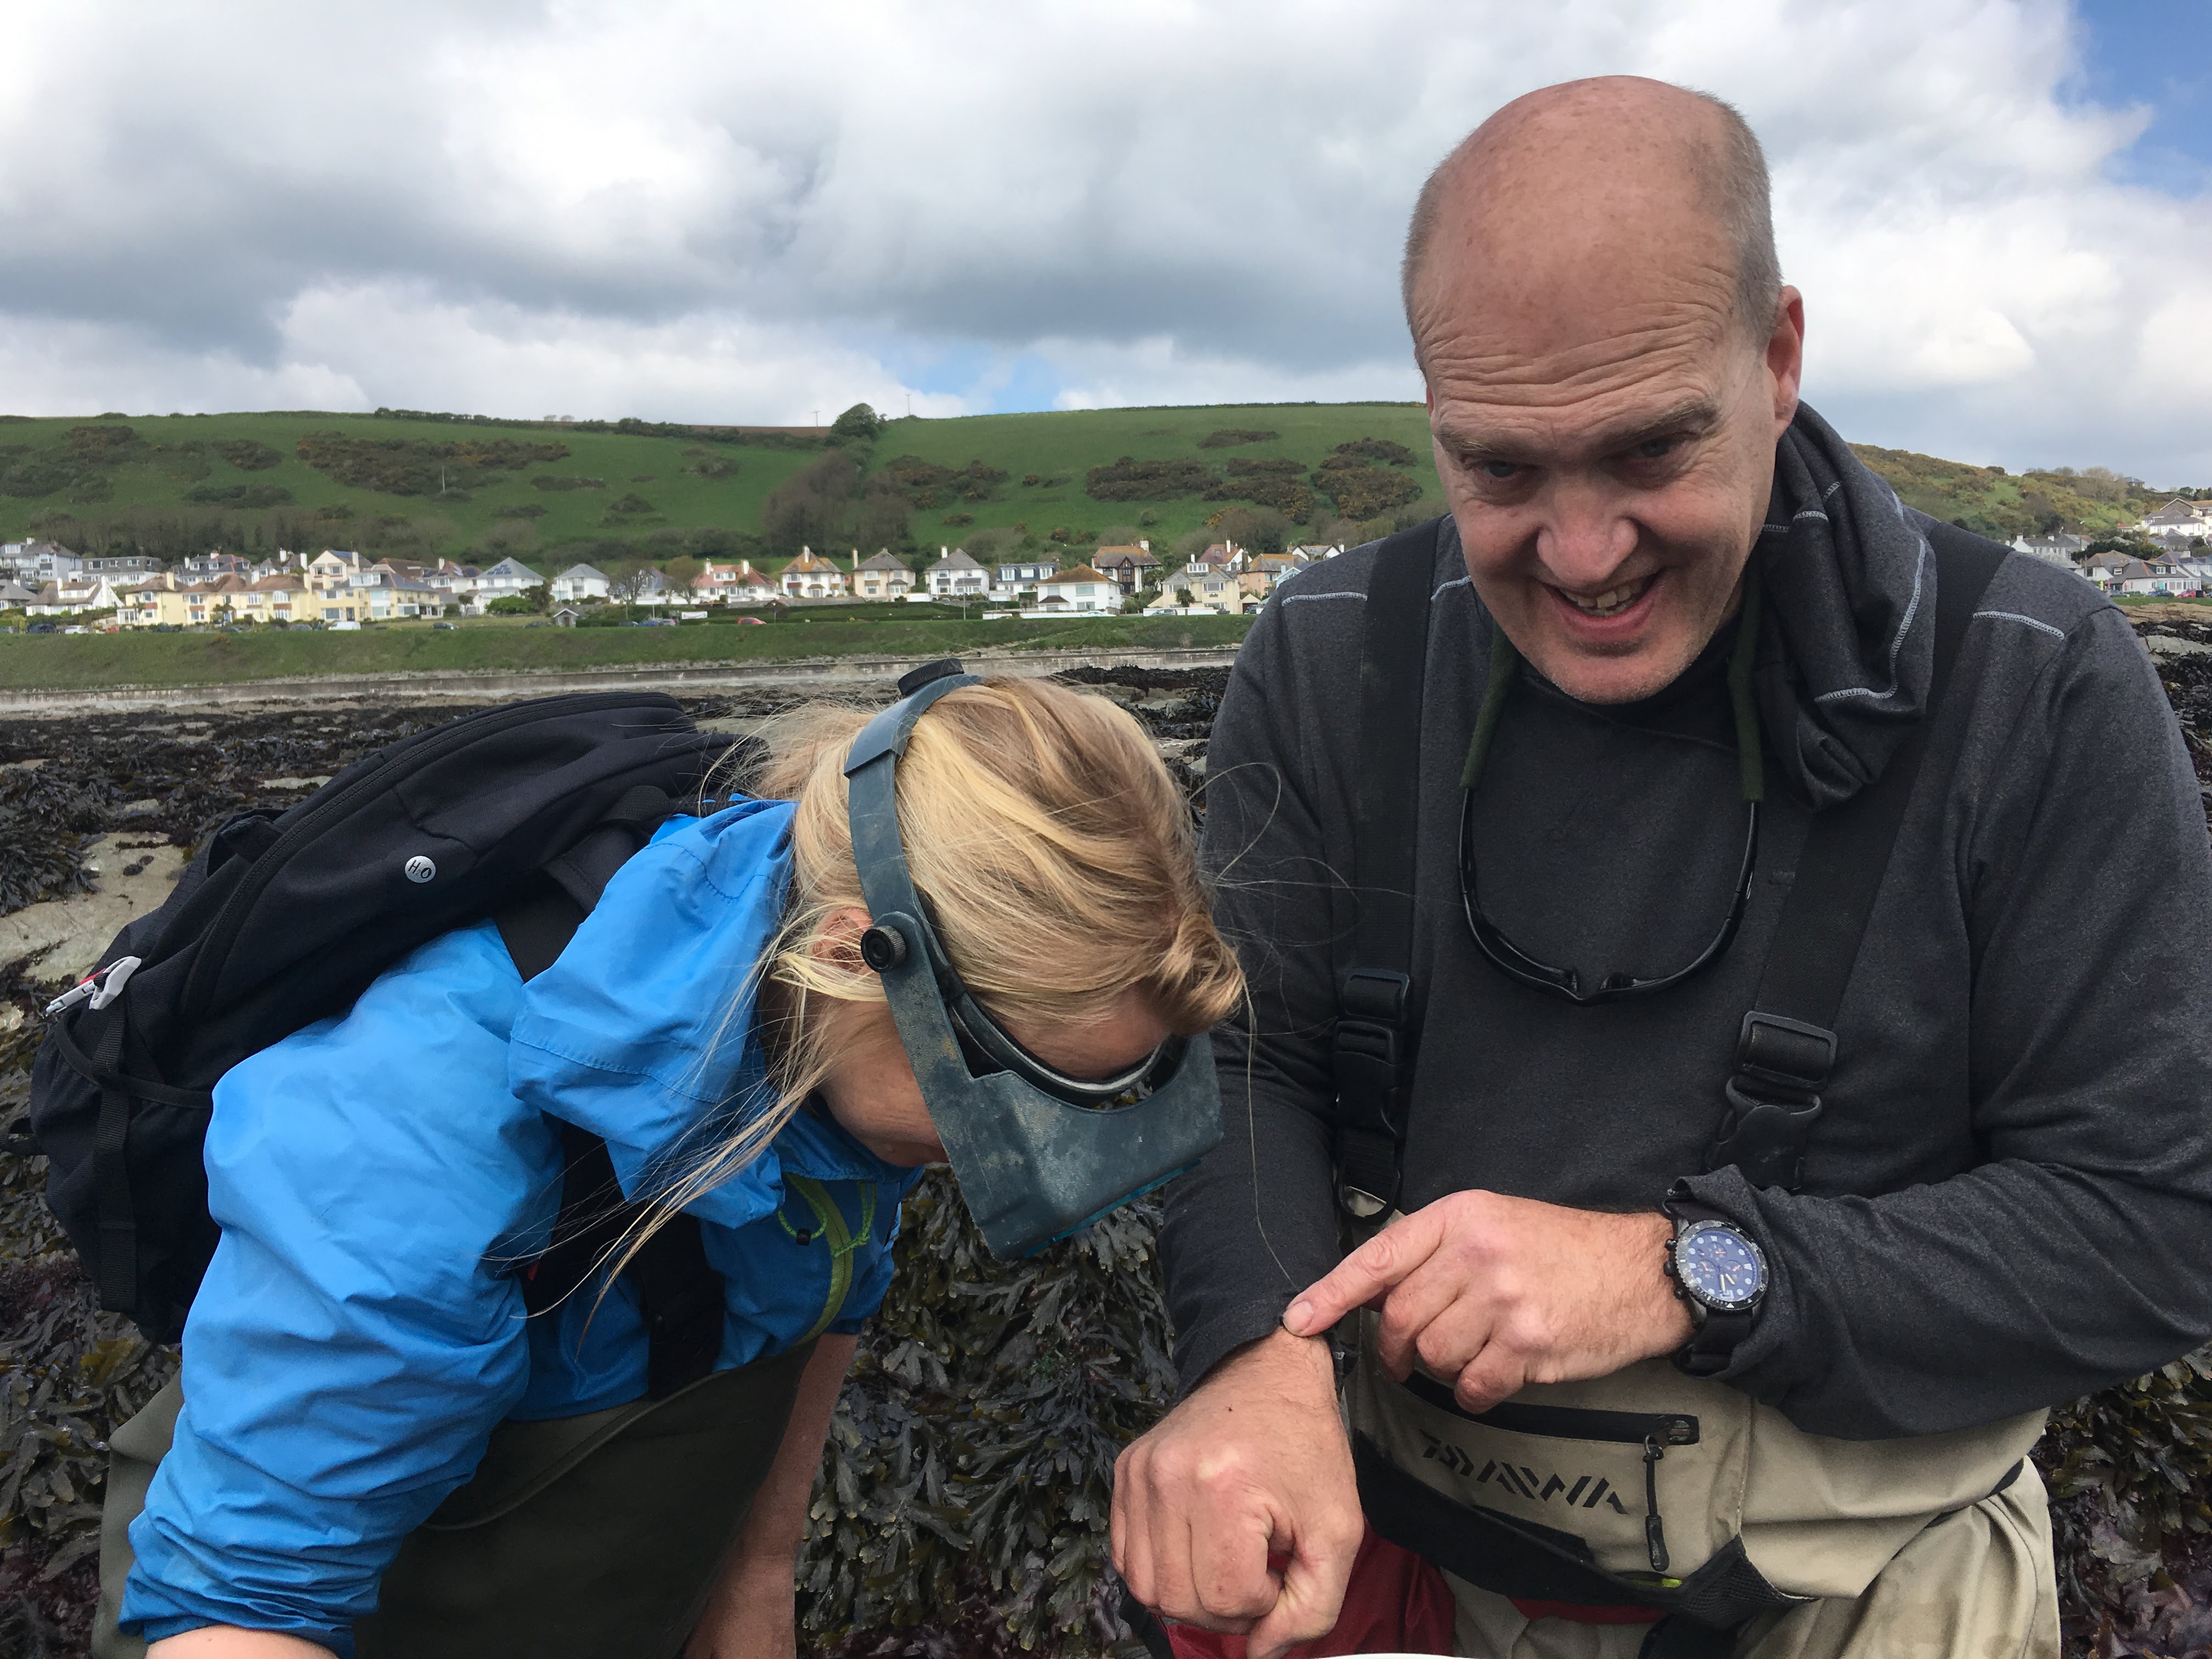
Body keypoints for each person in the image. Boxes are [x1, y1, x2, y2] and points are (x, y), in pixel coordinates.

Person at [1113, 76, 2212, 1659]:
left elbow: (2150, 1229)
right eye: (1499, 471)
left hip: (1870, 1603)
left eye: (1647, 450)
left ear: (1777, 358)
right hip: (1430, 1584)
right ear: (1434, 418)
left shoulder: (2035, 680)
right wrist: (1251, 1359)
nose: (1580, 553)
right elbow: (1243, 1067)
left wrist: (1686, 1270)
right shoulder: (1331, 653)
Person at [99, 674, 1244, 1658]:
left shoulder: (840, 1039)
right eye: (1012, 1090)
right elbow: (238, 1604)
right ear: (854, 953)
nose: (1035, 1146)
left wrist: (755, 1579)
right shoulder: (422, 1129)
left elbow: (832, 1278)